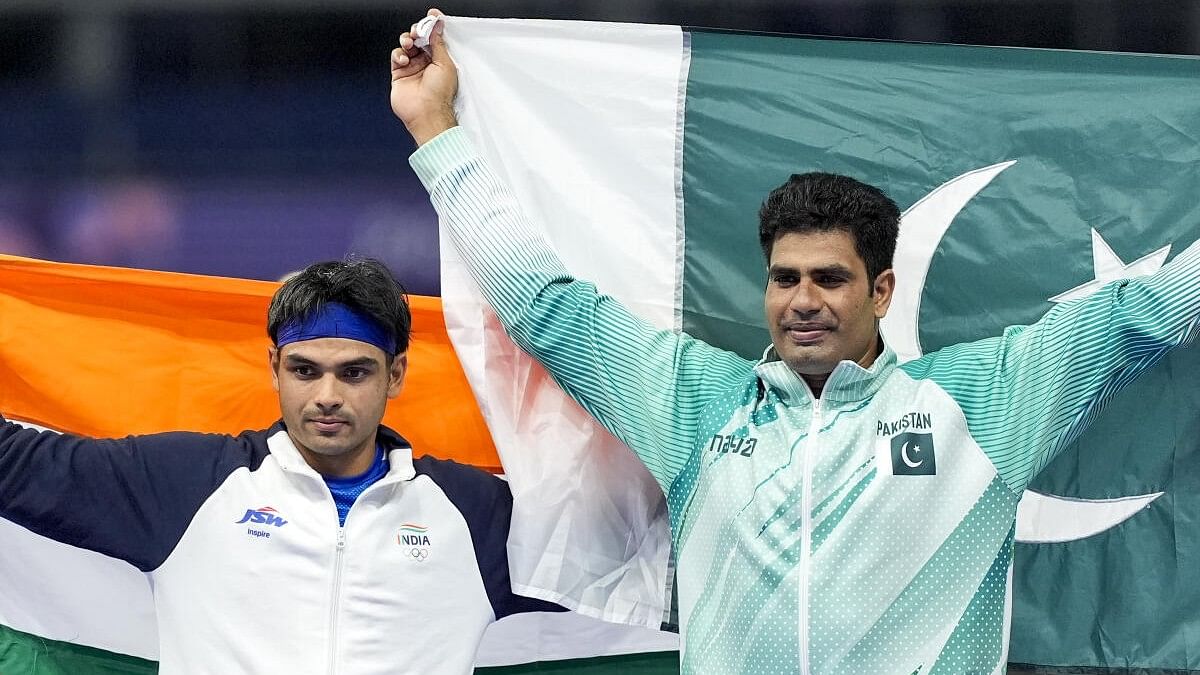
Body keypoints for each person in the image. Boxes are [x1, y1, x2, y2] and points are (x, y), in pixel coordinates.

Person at [389, 12, 1200, 674]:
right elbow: (543, 304)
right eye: (785, 278)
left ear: (881, 291)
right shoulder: (695, 401)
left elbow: (1148, 310)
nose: (802, 302)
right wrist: (433, 125)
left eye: (830, 279)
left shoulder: (984, 401)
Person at [0, 257, 559, 674]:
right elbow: (15, 466)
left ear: (395, 375)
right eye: (305, 370)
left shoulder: (475, 515)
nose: (327, 395)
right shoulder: (187, 485)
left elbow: (627, 560)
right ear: (274, 367)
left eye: (356, 373)